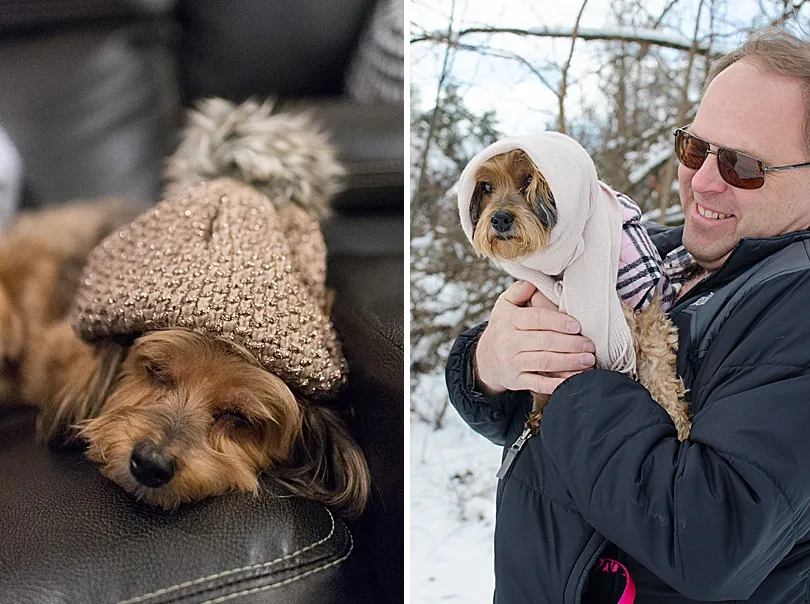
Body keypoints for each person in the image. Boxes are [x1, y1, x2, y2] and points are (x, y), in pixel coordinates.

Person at [446, 28, 810, 604]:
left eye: (743, 165)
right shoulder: (649, 252)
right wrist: (485, 363)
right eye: (696, 148)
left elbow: (706, 541)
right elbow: (526, 425)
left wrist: (571, 380)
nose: (702, 181)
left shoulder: (794, 313)